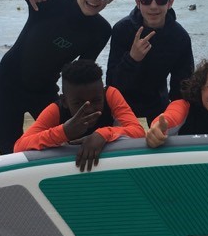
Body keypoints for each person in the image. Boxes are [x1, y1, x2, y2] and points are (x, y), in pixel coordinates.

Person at [0, 0, 118, 154]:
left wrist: (81, 107)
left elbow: (81, 75)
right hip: (7, 87)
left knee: (72, 146)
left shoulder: (101, 30)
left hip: (44, 92)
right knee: (10, 153)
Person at [13, 60, 144, 172]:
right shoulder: (56, 110)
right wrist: (64, 132)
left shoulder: (111, 94)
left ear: (102, 92)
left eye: (96, 100)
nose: (89, 109)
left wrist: (103, 134)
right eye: (78, 103)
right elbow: (19, 146)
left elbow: (138, 131)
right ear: (64, 101)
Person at [106, 0, 194, 124]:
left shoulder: (179, 37)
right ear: (138, 2)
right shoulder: (122, 30)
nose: (153, 6)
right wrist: (132, 59)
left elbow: (182, 90)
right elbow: (112, 86)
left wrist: (171, 118)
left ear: (170, 2)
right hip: (122, 112)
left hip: (160, 112)